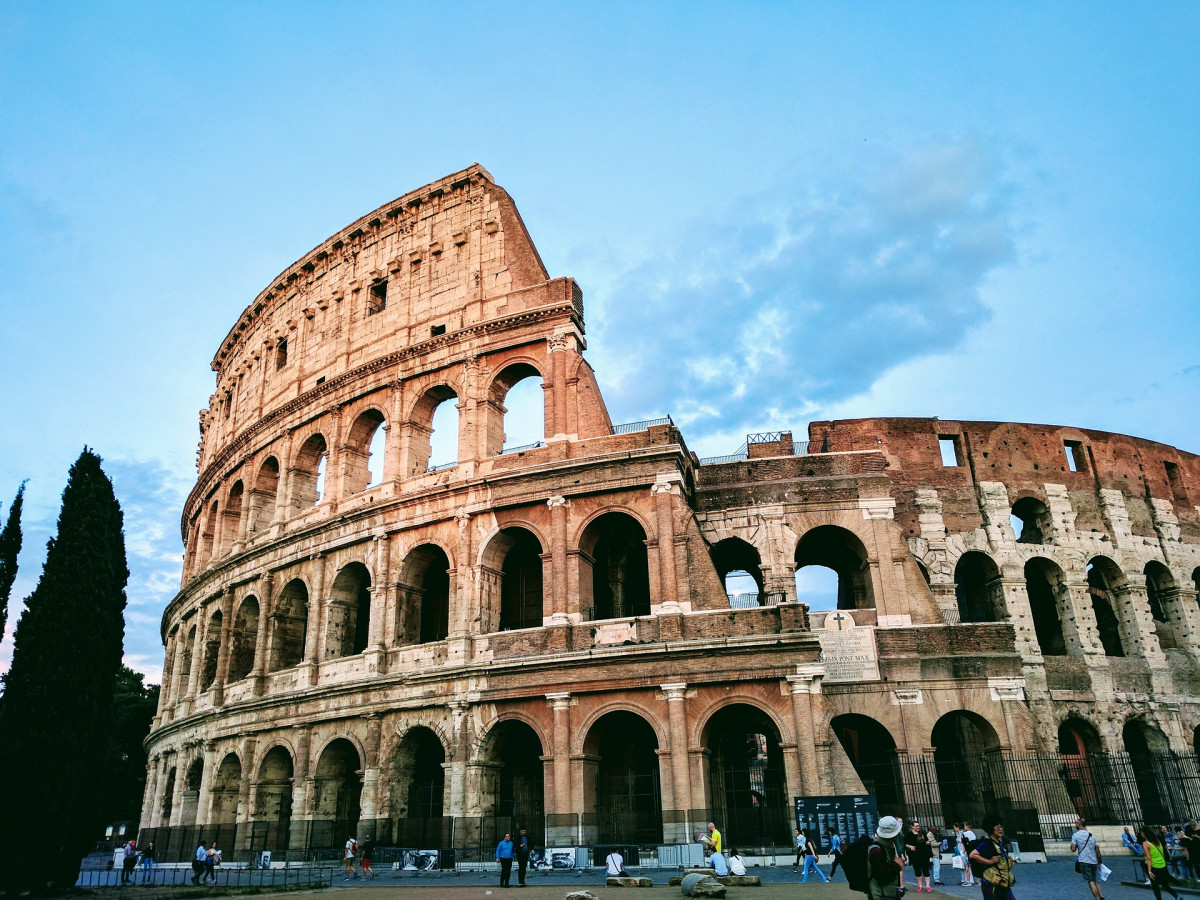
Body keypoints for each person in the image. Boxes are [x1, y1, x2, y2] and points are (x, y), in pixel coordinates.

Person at [968, 816, 1015, 900]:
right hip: (991, 882)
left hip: (1002, 881)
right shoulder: (987, 843)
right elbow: (973, 855)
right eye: (997, 827)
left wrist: (1009, 861)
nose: (1000, 829)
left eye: (1001, 826)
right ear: (991, 828)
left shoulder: (999, 843)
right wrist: (989, 861)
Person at [867, 816, 904, 900]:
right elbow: (881, 876)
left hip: (888, 893)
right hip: (881, 895)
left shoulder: (888, 845)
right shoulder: (876, 850)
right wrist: (896, 864)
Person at [1141, 826, 1180, 900]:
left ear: (1144, 833)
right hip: (1162, 864)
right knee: (1165, 885)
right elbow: (1162, 851)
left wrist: (1149, 871)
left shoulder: (1145, 843)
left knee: (1155, 886)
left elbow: (1148, 858)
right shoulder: (1157, 840)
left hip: (1153, 866)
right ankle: (1177, 896)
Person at [1070, 817, 1104, 900]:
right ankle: (1101, 896)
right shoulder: (1091, 835)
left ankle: (1097, 898)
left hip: (1084, 861)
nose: (1075, 825)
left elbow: (1073, 849)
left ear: (1079, 824)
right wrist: (1100, 862)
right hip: (1094, 861)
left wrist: (1073, 846)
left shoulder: (1076, 835)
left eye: (1076, 823)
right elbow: (1097, 851)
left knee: (1091, 881)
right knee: (1095, 880)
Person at [905, 821, 932, 893]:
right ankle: (920, 886)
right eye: (916, 826)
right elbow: (905, 844)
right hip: (914, 855)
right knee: (917, 871)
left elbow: (926, 842)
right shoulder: (909, 834)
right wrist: (910, 846)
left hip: (924, 855)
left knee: (925, 870)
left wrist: (928, 842)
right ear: (912, 827)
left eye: (918, 826)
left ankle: (928, 886)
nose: (918, 827)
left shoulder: (922, 833)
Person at [958, 822, 978, 887]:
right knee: (975, 864)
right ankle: (979, 881)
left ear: (966, 826)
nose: (964, 827)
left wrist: (964, 850)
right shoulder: (973, 834)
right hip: (973, 850)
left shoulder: (964, 834)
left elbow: (963, 842)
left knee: (967, 866)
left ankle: (968, 881)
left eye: (964, 826)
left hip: (968, 850)